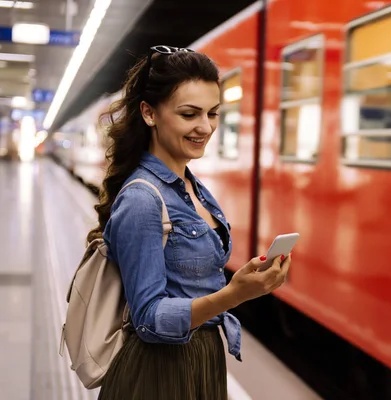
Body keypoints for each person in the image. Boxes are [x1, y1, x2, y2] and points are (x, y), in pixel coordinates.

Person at [86, 45, 291, 399]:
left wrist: (244, 290)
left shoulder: (192, 187)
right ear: (149, 113)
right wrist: (233, 295)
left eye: (212, 113)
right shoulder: (142, 200)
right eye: (189, 114)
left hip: (199, 362)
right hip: (160, 374)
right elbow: (149, 319)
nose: (205, 127)